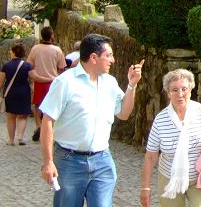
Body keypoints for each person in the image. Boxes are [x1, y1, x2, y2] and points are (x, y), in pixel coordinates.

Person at [39, 33, 144, 207]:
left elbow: (124, 114)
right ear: (94, 57)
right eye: (109, 55)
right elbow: (47, 121)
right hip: (69, 161)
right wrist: (48, 162)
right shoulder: (65, 82)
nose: (113, 60)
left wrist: (132, 85)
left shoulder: (110, 82)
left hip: (102, 160)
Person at [140, 69, 201, 207]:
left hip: (198, 178)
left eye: (184, 89)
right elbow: (150, 156)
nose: (180, 94)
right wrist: (145, 187)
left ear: (191, 90)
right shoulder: (160, 120)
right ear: (168, 93)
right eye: (174, 90)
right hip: (169, 178)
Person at [28, 26, 66, 141]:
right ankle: (50, 127)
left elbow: (29, 65)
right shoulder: (57, 50)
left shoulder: (35, 48)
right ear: (52, 35)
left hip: (39, 81)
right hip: (53, 82)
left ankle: (39, 126)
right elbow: (62, 67)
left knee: (38, 105)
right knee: (53, 105)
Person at [0, 44, 33, 145]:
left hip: (10, 93)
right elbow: (33, 77)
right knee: (22, 116)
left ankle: (11, 140)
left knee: (11, 117)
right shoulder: (27, 65)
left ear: (14, 52)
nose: (10, 52)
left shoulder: (6, 66)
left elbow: (0, 82)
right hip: (24, 92)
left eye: (11, 51)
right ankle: (20, 138)